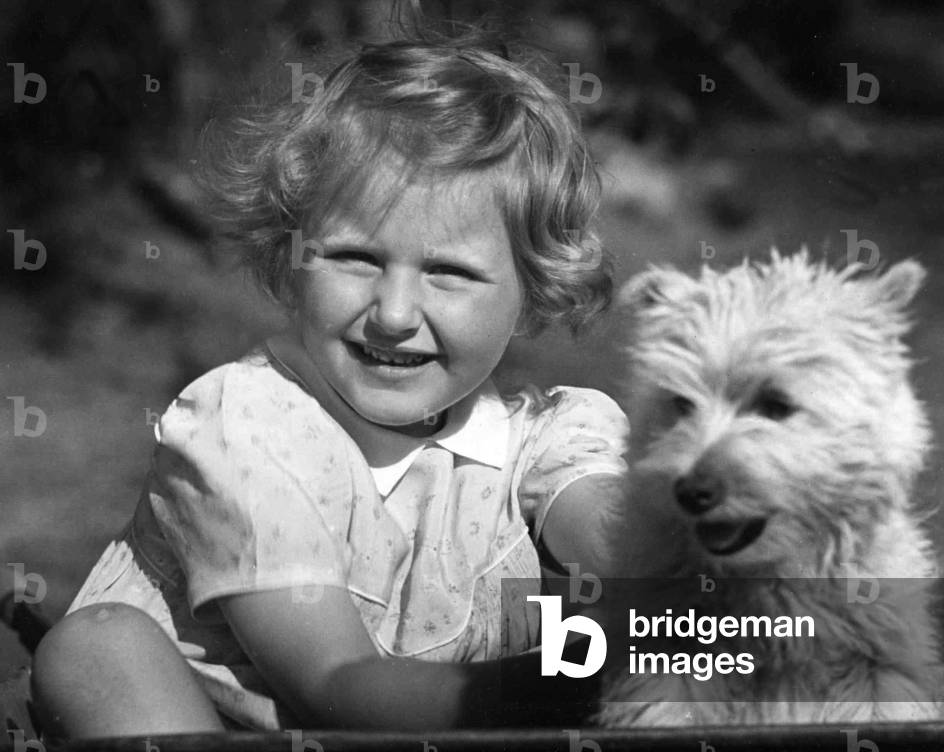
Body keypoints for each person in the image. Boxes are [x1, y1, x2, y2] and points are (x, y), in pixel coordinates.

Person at [30, 19, 628, 740]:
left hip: (440, 729)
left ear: (533, 292)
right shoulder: (244, 424)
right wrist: (581, 679)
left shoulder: (551, 435)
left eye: (448, 272)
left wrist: (688, 615)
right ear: (289, 259)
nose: (394, 314)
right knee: (95, 645)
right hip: (238, 726)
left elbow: (631, 552)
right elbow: (338, 688)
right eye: (354, 258)